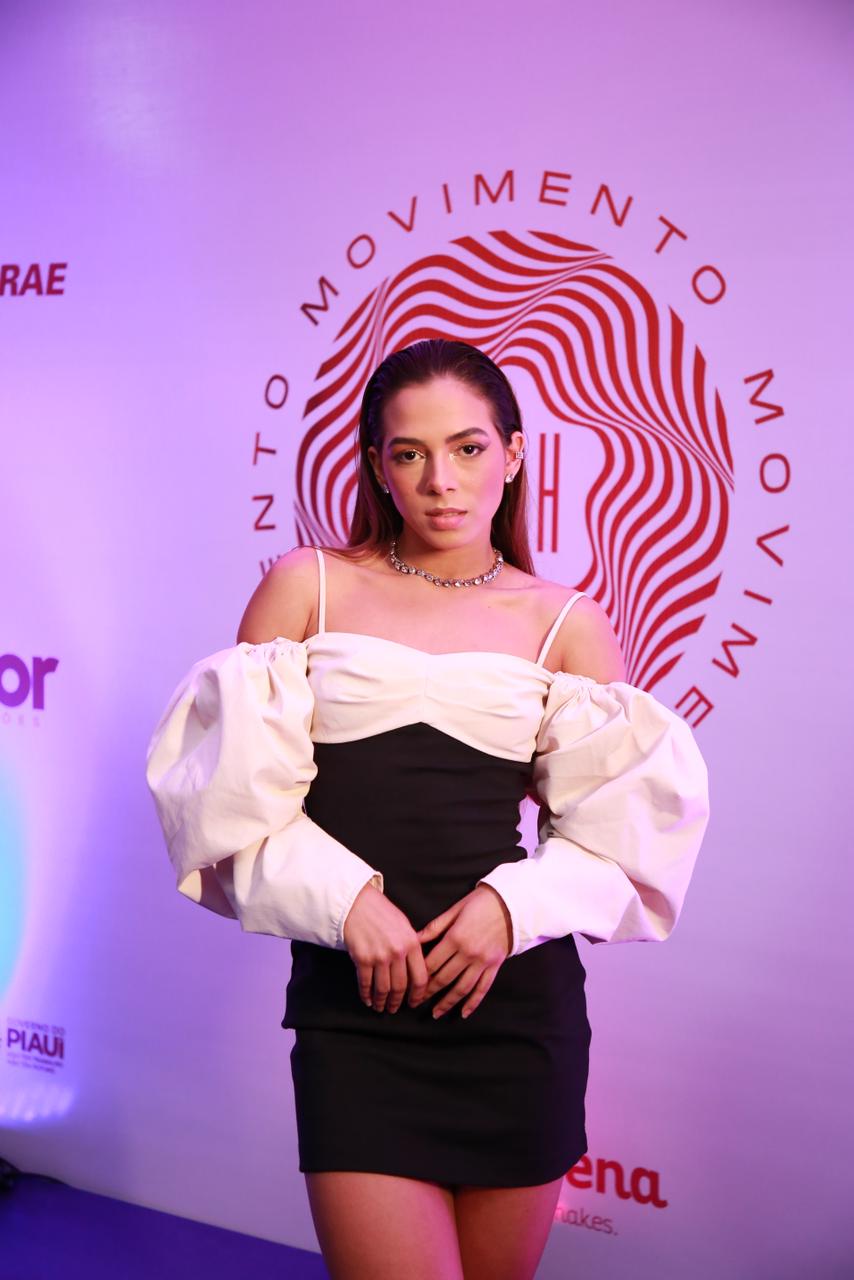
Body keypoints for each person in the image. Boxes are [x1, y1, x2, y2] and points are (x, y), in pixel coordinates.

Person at [145, 338, 710, 1280]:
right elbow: (228, 806)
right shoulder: (307, 586)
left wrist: (508, 910)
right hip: (354, 1010)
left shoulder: (565, 621)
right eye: (409, 453)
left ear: (514, 456)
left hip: (514, 1012)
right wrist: (346, 902)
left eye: (468, 449)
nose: (441, 481)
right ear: (377, 465)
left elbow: (622, 841)